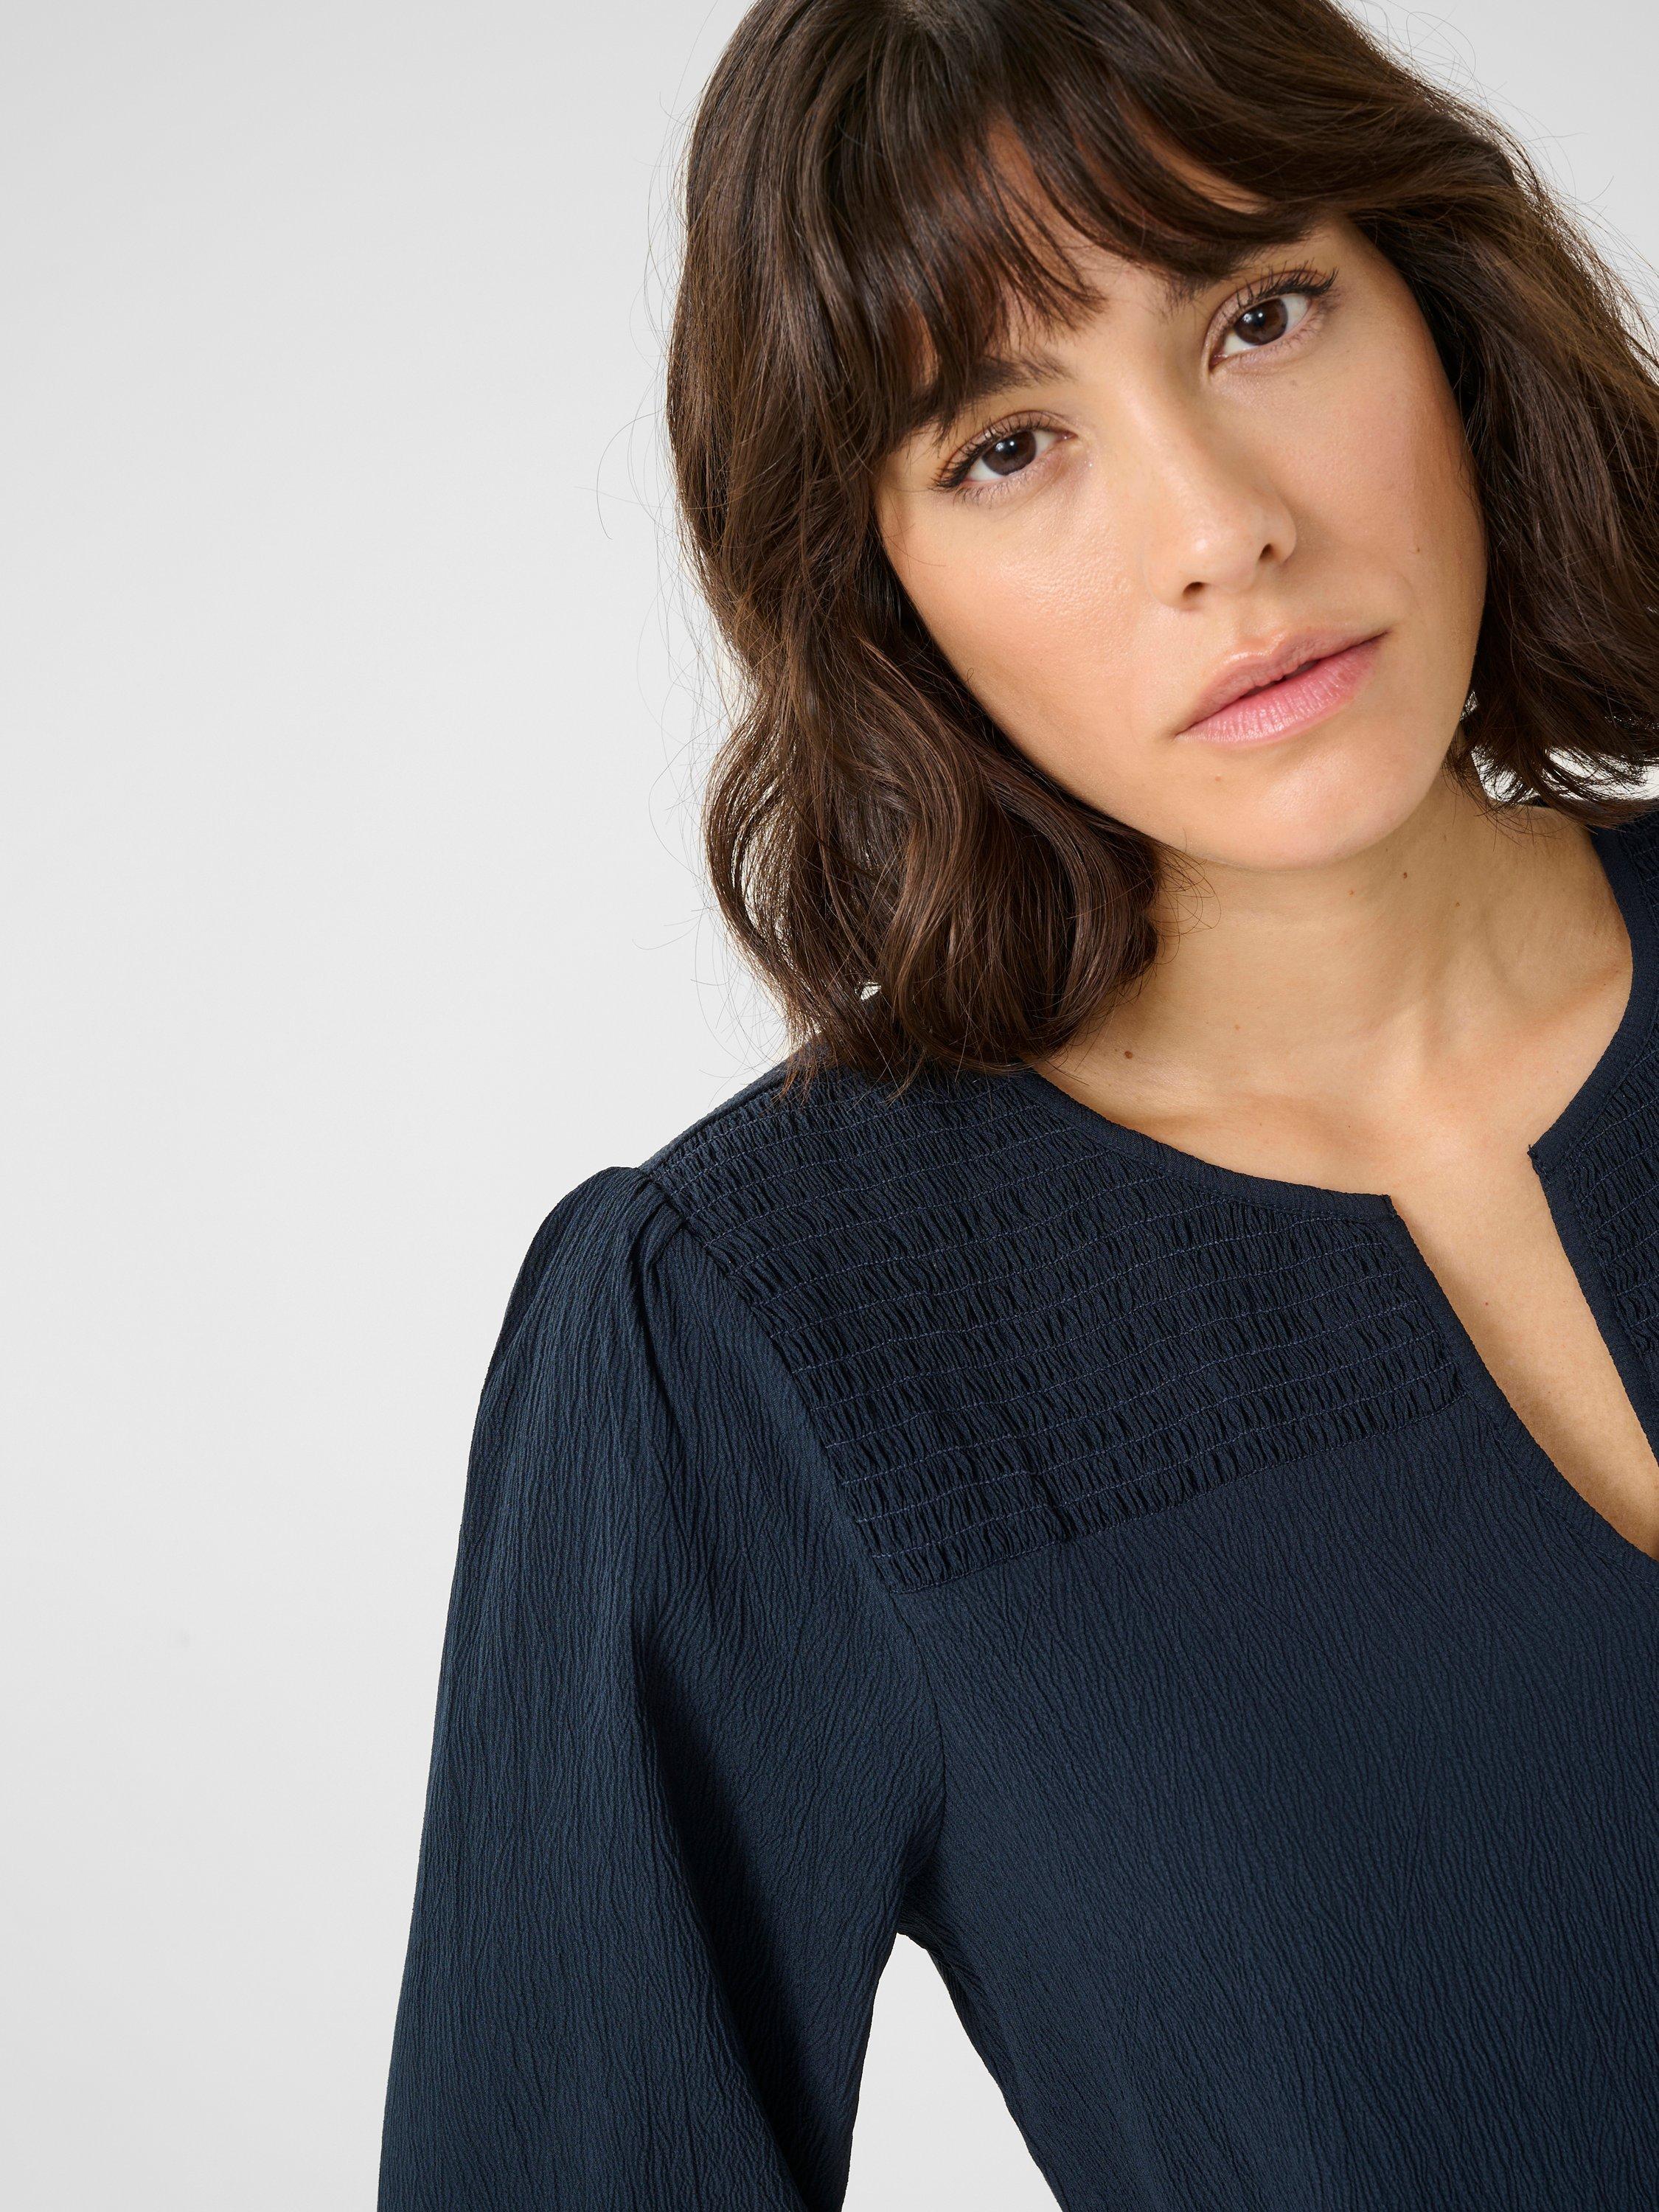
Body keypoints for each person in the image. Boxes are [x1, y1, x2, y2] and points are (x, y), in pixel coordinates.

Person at [376, 1, 1659, 2204]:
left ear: (1441, 311)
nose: (1218, 530)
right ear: (879, 590)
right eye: (1004, 445)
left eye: (1260, 316)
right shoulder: (760, 1342)